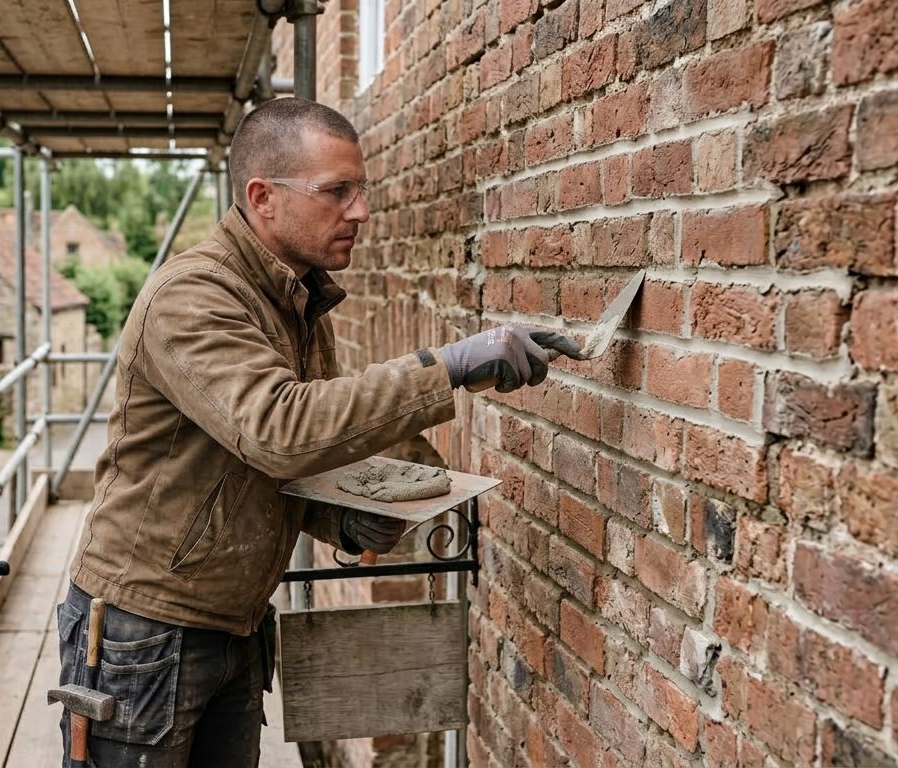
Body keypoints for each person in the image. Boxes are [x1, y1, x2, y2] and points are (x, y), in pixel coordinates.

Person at [57, 97, 577, 767]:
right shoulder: (192, 298)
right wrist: (448, 366)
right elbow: (279, 430)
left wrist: (342, 522)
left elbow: (274, 466)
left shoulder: (297, 300)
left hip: (234, 624)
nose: (359, 211)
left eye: (361, 191)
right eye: (336, 192)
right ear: (262, 197)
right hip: (144, 631)